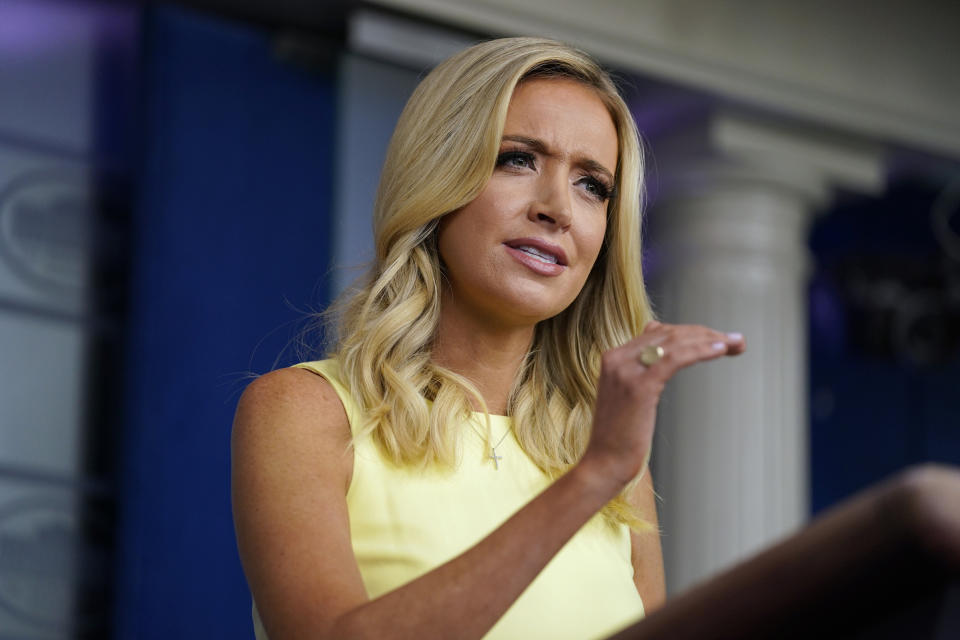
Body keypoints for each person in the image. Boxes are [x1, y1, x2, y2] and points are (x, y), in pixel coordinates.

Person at [231, 37, 745, 640]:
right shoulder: (304, 412)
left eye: (592, 186)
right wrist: (592, 478)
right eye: (518, 159)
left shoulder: (606, 460)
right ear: (438, 175)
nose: (558, 208)